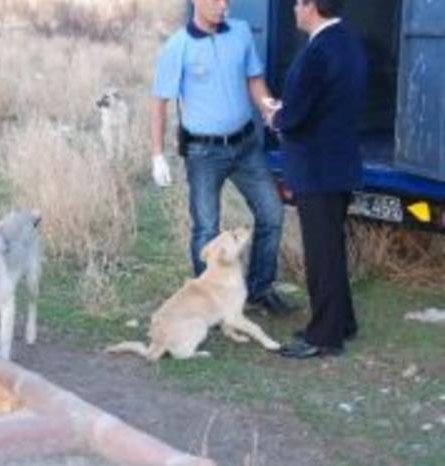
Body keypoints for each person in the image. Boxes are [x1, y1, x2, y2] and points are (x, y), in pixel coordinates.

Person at [151, 0, 296, 316]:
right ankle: (206, 303)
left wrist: (270, 110)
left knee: (272, 211)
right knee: (206, 228)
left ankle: (260, 290)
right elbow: (160, 103)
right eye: (215, 0)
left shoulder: (240, 32)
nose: (223, 5)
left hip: (246, 145)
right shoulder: (178, 47)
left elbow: (254, 81)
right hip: (204, 153)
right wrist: (157, 154)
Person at [266, 0, 367, 358]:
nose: (293, 9)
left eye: (297, 3)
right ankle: (342, 322)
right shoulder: (348, 41)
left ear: (311, 6)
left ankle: (325, 336)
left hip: (317, 169)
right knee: (332, 251)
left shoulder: (318, 52)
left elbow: (297, 115)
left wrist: (276, 117)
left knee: (322, 255)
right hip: (338, 165)